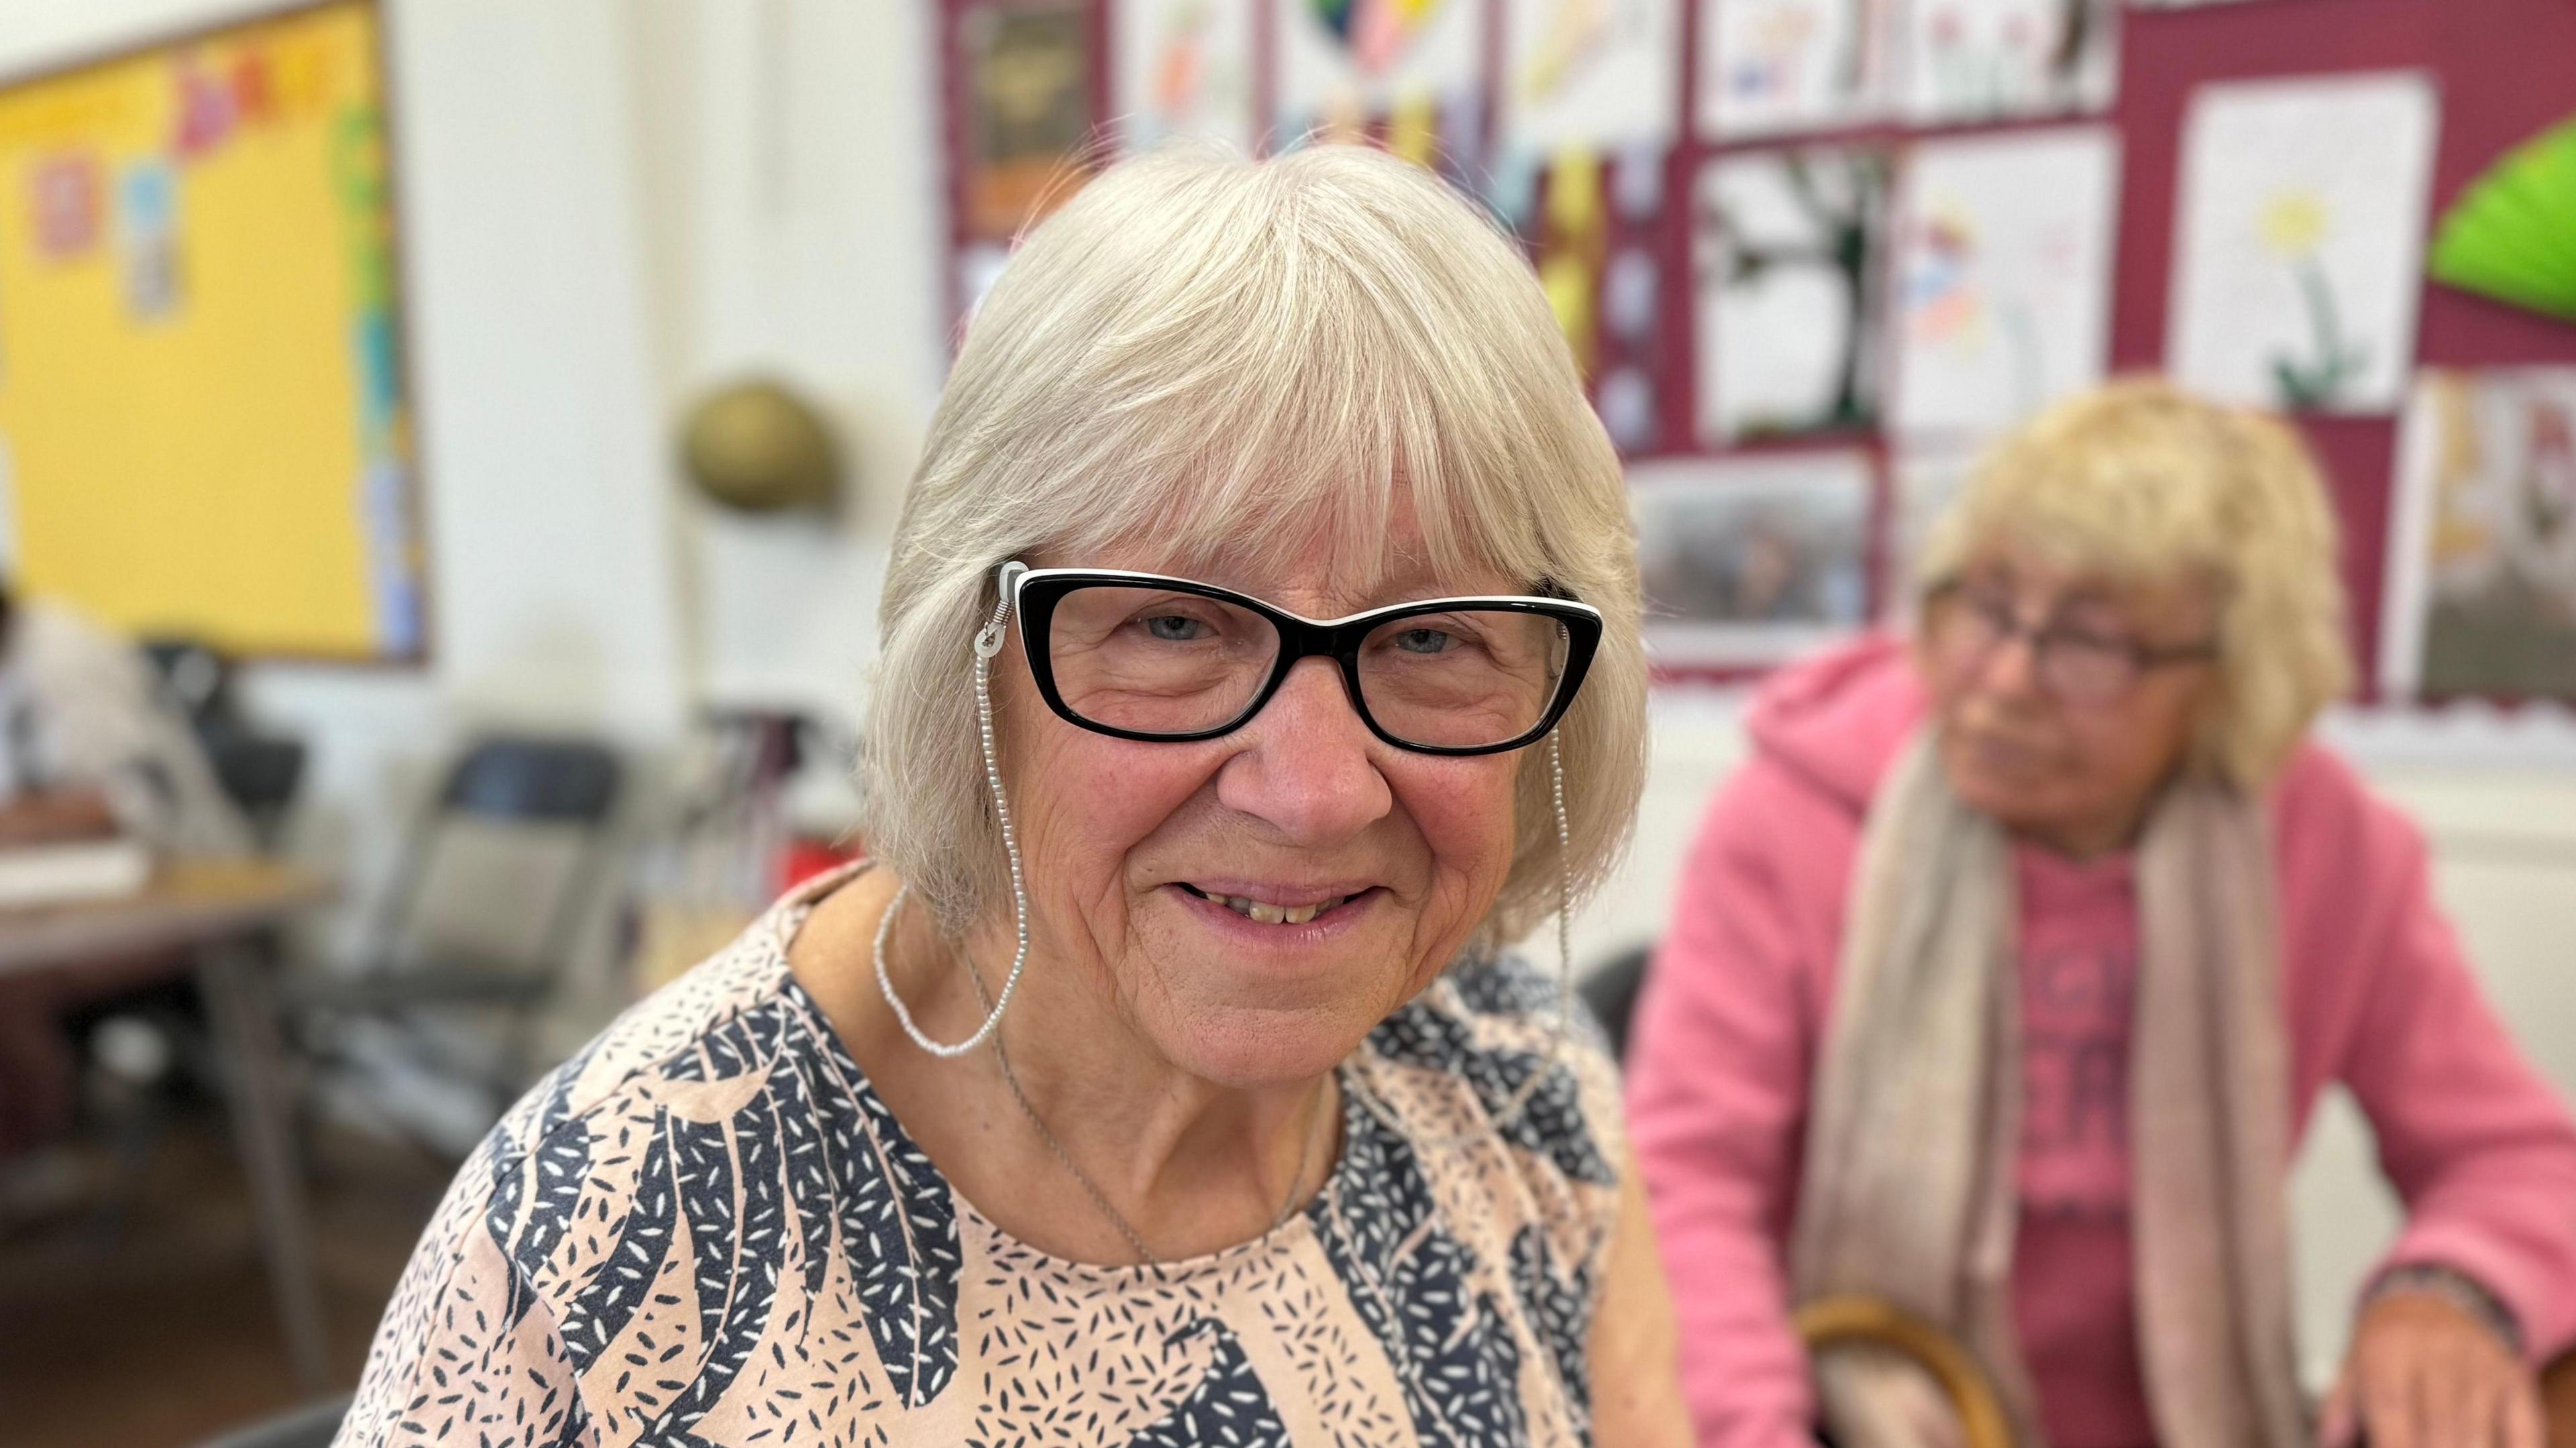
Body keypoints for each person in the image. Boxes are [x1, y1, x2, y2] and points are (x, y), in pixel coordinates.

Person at [339, 144, 1690, 1446]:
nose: (1318, 790)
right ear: (969, 653)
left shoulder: (1516, 1080)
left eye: (1432, 637)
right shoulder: (615, 1234)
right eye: (1174, 625)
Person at [1627, 380, 2576, 1448]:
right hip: (1853, 1406)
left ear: (2228, 678)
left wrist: (2455, 1287)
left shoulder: (2329, 845)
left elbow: (2516, 1156)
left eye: (2091, 644)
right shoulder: (1792, 812)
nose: (2004, 679)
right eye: (1985, 605)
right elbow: (1684, 1182)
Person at [0, 575, 250, 1155]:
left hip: (185, 891)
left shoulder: (61, 654)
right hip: (60, 897)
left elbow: (126, 802)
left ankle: (37, 1153)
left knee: (7, 988)